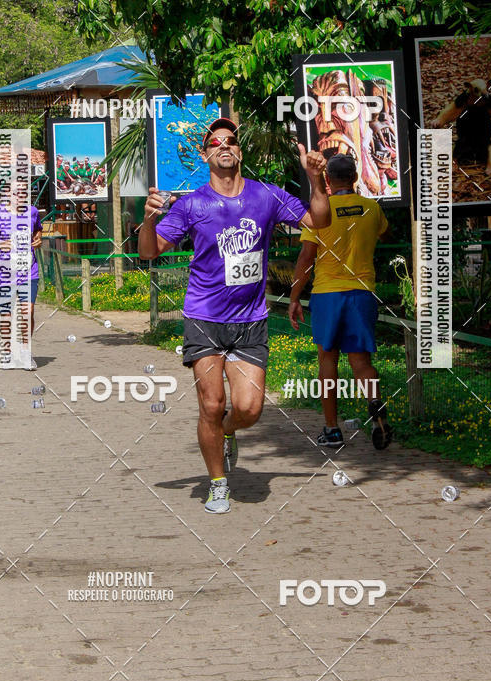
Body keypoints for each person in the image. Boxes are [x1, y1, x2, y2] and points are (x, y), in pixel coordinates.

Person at [139, 117, 330, 514]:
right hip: (204, 317)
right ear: (206, 154)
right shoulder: (192, 204)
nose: (224, 145)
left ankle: (228, 432)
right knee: (211, 404)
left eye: (231, 140)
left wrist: (315, 181)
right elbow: (148, 252)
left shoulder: (266, 196)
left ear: (239, 152)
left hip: (250, 321)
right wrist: (148, 219)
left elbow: (320, 222)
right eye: (216, 142)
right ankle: (218, 483)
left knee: (249, 409)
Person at [288, 154, 391, 450]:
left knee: (328, 360)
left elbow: (307, 257)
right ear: (356, 177)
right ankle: (374, 405)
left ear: (329, 181)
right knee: (361, 361)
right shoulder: (372, 209)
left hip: (327, 294)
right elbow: (386, 234)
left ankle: (332, 430)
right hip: (362, 292)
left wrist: (294, 297)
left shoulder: (320, 210)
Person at [0, 193, 43, 370]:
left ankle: (25, 352)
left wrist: (38, 240)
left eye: (24, 192)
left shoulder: (33, 212)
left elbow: (38, 230)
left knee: (27, 311)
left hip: (28, 271)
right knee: (6, 315)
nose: (19, 196)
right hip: (5, 273)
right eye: (15, 193)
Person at [432, 78, 491, 175]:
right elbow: (451, 110)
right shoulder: (465, 98)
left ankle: (490, 166)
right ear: (470, 88)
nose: (483, 94)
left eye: (485, 90)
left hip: (483, 127)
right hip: (465, 127)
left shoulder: (486, 99)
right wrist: (439, 120)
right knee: (460, 143)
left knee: (486, 144)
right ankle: (453, 162)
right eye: (478, 90)